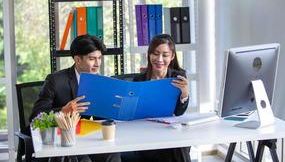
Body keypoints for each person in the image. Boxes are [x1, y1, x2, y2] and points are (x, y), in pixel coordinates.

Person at [30, 34, 121, 162]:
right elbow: (35, 117)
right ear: (78, 60)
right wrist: (62, 112)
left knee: (113, 155)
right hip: (64, 140)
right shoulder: (55, 81)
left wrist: (113, 106)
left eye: (99, 58)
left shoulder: (100, 81)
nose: (97, 64)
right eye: (92, 59)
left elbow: (101, 118)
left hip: (90, 137)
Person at [127, 34, 191, 162]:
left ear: (172, 56)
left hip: (169, 130)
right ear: (149, 55)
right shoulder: (139, 80)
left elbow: (179, 112)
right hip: (146, 131)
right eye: (155, 54)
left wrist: (184, 94)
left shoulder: (178, 77)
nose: (159, 59)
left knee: (178, 146)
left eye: (165, 55)